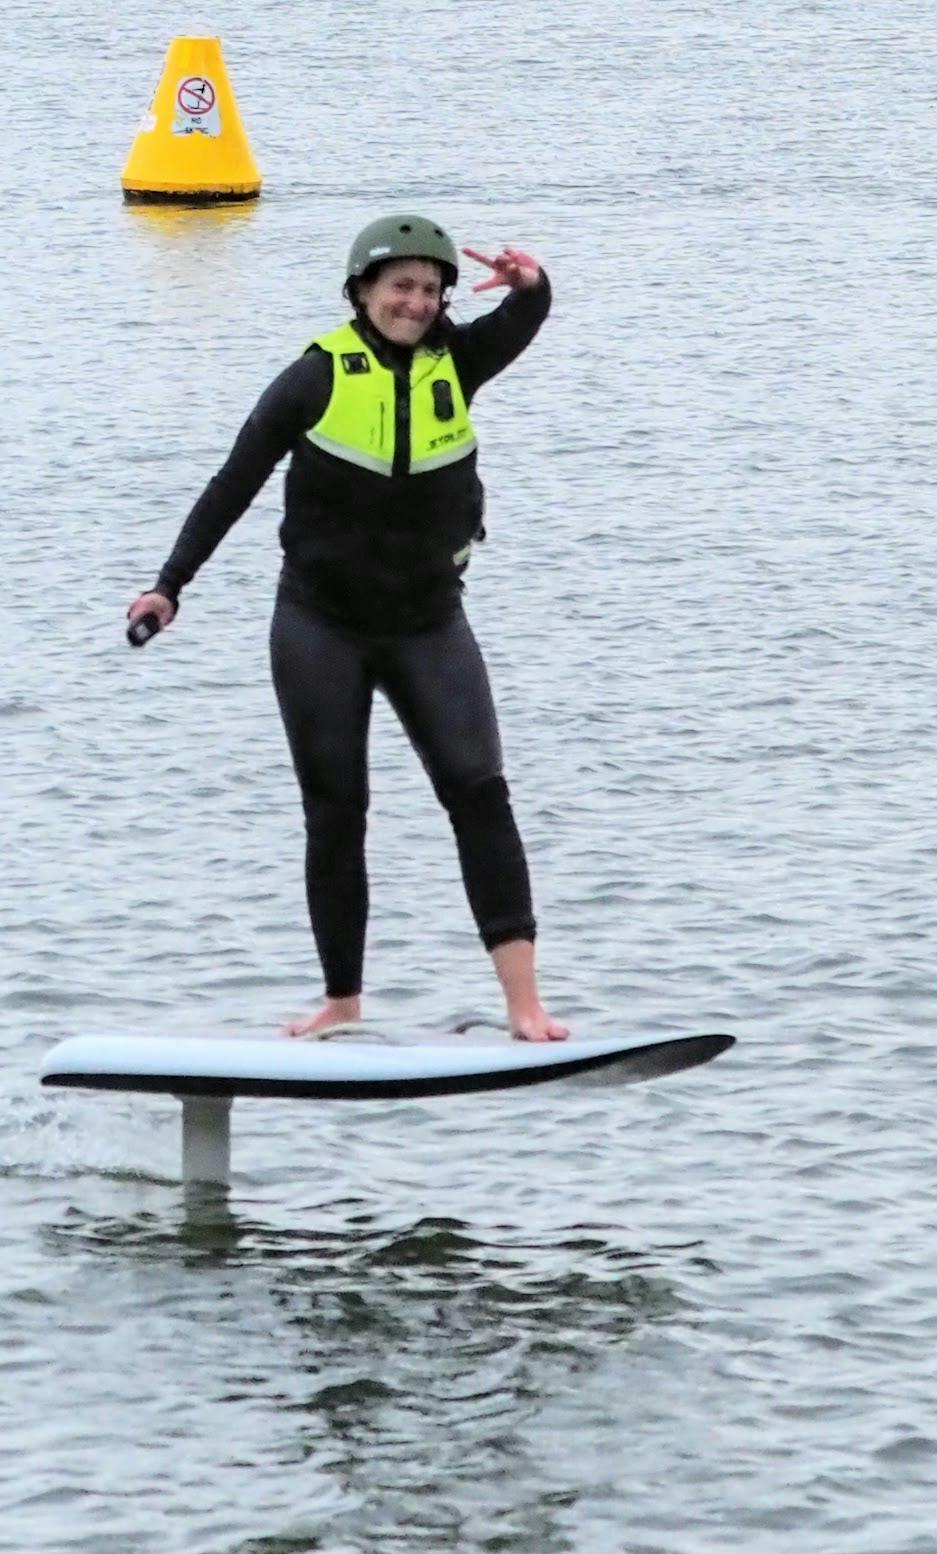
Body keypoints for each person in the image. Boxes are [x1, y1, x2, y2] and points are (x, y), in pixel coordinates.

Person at [125, 213, 568, 1042]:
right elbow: (235, 481)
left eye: (431, 291)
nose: (416, 302)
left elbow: (527, 318)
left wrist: (532, 282)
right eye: (400, 286)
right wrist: (170, 585)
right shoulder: (313, 378)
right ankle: (342, 1001)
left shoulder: (459, 363)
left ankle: (525, 1005)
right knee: (337, 809)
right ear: (362, 291)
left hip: (429, 624)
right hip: (320, 625)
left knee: (480, 794)